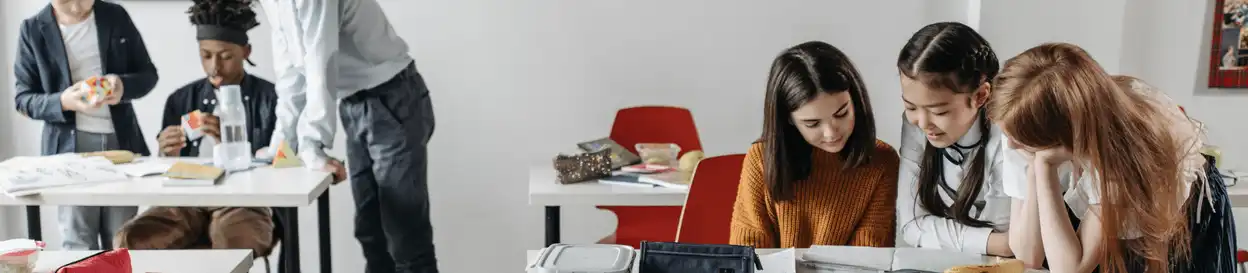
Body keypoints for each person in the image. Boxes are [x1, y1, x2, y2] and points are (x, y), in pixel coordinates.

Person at [992, 43, 1236, 273]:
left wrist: (1043, 166)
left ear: (1062, 135)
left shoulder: (1120, 147)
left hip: (1183, 206)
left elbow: (1071, 268)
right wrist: (1036, 168)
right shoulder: (1019, 125)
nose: (1011, 145)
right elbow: (1027, 256)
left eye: (1021, 139)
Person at [254, 0, 438, 272]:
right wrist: (282, 144)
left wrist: (312, 143)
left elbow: (321, 59)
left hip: (392, 98)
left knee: (405, 238)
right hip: (353, 104)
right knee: (370, 234)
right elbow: (291, 69)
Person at [113, 0, 279, 262]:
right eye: (206, 55)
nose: (215, 67)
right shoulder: (180, 100)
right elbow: (165, 171)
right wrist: (166, 152)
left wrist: (232, 145)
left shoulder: (272, 98)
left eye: (225, 56)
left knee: (229, 238)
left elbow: (281, 166)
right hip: (185, 201)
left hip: (244, 202)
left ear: (246, 51)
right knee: (131, 238)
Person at [13, 0, 158, 250]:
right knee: (78, 241)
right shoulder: (33, 29)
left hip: (120, 145)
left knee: (122, 240)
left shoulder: (115, 16)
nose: (77, 6)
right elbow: (23, 99)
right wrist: (63, 102)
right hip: (68, 151)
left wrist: (122, 86)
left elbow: (148, 74)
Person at [729, 41, 899, 248]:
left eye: (842, 113)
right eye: (812, 123)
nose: (831, 132)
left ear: (855, 100)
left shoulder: (882, 161)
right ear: (788, 119)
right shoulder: (761, 158)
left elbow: (868, 256)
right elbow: (749, 250)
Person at [894, 22, 1013, 256]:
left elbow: (1009, 240)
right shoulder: (915, 124)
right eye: (910, 106)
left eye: (939, 112)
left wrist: (1001, 243)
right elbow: (910, 226)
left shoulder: (1008, 136)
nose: (923, 122)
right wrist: (994, 242)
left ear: (980, 96)